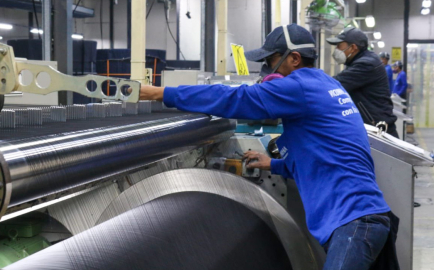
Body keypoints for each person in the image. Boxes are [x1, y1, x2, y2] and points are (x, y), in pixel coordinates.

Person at [139, 24, 394, 270]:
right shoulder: (328, 84)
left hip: (353, 224)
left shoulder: (298, 87)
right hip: (368, 218)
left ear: (294, 59)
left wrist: (161, 94)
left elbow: (235, 98)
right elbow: (319, 159)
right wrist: (272, 164)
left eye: (270, 61)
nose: (265, 69)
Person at [327, 27, 398, 138]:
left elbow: (334, 85)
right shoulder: (360, 61)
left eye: (339, 46)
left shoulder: (366, 64)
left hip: (379, 132)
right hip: (374, 128)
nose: (336, 49)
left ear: (353, 48)